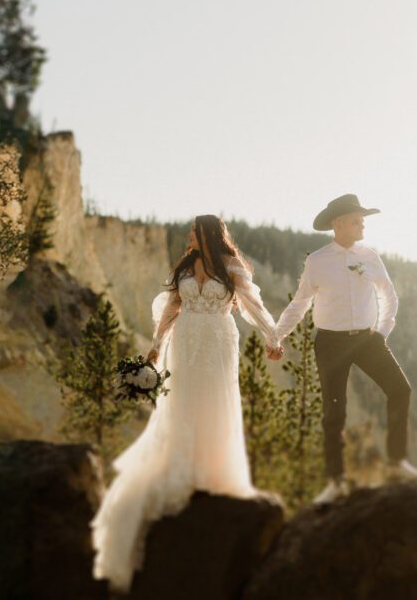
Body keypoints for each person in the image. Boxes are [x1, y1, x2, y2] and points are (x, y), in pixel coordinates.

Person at [90, 215, 279, 593]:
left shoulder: (231, 267)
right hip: (186, 340)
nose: (189, 237)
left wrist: (272, 334)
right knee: (183, 401)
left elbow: (251, 303)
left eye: (195, 232)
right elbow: (172, 307)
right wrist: (156, 345)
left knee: (214, 398)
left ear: (209, 233)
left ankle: (211, 469)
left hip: (219, 340)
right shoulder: (185, 266)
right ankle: (183, 465)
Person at [271, 194, 417, 505]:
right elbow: (300, 302)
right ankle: (336, 481)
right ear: (338, 224)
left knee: (401, 390)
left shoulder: (370, 256)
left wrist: (382, 333)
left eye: (363, 221)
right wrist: (277, 335)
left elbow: (390, 296)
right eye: (357, 220)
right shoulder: (317, 261)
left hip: (367, 340)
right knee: (335, 411)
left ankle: (397, 463)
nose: (362, 226)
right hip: (330, 343)